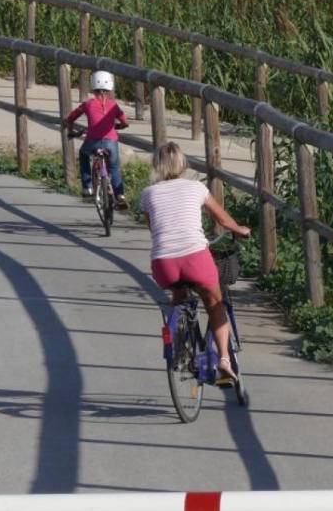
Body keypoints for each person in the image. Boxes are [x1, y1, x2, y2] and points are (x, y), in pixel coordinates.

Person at [141, 142, 250, 379]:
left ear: (157, 165)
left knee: (179, 294)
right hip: (195, 259)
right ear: (183, 164)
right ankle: (224, 359)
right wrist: (240, 229)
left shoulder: (147, 194)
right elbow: (223, 220)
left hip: (163, 265)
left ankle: (180, 345)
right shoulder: (196, 188)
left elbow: (154, 229)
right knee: (214, 303)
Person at [64, 70, 129, 210]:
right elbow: (125, 121)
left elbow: (71, 118)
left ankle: (87, 187)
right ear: (110, 87)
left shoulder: (88, 104)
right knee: (114, 167)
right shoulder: (114, 105)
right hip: (111, 143)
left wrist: (71, 131)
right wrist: (118, 126)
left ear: (92, 87)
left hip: (92, 141)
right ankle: (120, 196)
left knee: (83, 154)